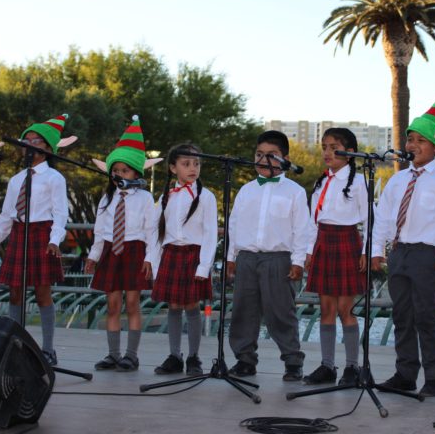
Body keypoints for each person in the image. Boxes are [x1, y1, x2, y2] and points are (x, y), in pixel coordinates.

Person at [371, 89, 435, 397]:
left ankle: (434, 377)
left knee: (426, 315)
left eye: (420, 140)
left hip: (429, 255)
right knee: (402, 315)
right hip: (400, 252)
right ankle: (405, 373)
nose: (413, 145)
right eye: (410, 139)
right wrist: (376, 251)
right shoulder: (397, 180)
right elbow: (382, 218)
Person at [0, 114, 77, 366]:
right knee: (15, 293)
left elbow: (61, 213)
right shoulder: (17, 179)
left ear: (48, 149)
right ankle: (15, 345)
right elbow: (7, 215)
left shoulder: (54, 178)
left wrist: (54, 239)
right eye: (26, 141)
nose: (29, 145)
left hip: (42, 234)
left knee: (42, 293)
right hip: (20, 233)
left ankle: (49, 349)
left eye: (37, 141)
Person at [227, 130, 310, 381]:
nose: (263, 159)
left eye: (271, 155)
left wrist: (298, 262)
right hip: (247, 257)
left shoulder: (294, 191)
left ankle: (293, 361)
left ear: (285, 158)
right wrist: (231, 257)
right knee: (244, 309)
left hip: (278, 257)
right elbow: (234, 224)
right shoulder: (246, 190)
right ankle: (245, 359)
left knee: (280, 310)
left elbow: (301, 229)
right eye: (259, 154)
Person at [87, 116, 160, 372]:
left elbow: (152, 231)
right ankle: (113, 354)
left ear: (136, 172)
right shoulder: (107, 198)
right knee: (113, 305)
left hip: (134, 251)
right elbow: (99, 230)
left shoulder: (144, 198)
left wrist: (150, 258)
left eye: (125, 170)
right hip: (111, 252)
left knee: (132, 304)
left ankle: (132, 354)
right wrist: (94, 255)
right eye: (115, 170)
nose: (119, 175)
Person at [302, 128, 367, 386]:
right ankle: (327, 366)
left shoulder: (359, 182)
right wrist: (309, 251)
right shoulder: (321, 181)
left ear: (349, 153)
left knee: (345, 309)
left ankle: (352, 367)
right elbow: (312, 221)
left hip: (346, 242)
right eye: (324, 147)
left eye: (333, 147)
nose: (327, 152)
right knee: (326, 309)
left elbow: (370, 219)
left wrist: (368, 252)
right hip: (323, 243)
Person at [150, 143, 217, 377]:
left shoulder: (206, 197)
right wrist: (154, 262)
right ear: (172, 167)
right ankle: (175, 355)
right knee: (174, 306)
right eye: (186, 164)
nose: (193, 168)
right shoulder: (165, 197)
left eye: (197, 164)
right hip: (171, 254)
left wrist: (204, 265)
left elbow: (210, 233)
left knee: (192, 306)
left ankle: (194, 357)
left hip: (193, 256)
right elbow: (156, 232)